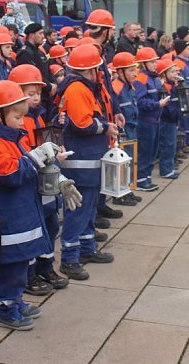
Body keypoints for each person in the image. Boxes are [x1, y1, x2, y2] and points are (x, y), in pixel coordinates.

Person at [0, 81, 72, 329]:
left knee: (19, 264)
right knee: (9, 266)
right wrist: (36, 157)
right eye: (17, 116)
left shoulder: (11, 137)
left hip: (19, 214)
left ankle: (15, 301)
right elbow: (11, 174)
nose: (23, 122)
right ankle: (5, 308)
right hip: (7, 218)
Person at [55, 45, 116, 280]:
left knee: (88, 208)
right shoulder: (78, 89)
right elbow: (83, 125)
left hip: (88, 159)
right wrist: (106, 127)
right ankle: (70, 259)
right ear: (91, 70)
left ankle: (87, 248)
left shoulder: (81, 87)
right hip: (81, 161)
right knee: (78, 210)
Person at [7, 66, 71, 294]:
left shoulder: (38, 116)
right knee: (37, 227)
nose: (35, 98)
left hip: (43, 179)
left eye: (37, 93)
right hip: (32, 181)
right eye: (29, 93)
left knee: (51, 224)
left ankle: (46, 266)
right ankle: (29, 275)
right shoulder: (18, 120)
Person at [110, 52, 142, 206]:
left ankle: (127, 189)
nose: (135, 73)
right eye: (130, 70)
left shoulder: (130, 86)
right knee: (121, 162)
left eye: (134, 69)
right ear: (120, 72)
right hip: (123, 130)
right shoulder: (116, 88)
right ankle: (119, 194)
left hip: (132, 127)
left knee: (130, 161)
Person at [134, 47, 164, 190]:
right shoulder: (141, 78)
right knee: (145, 151)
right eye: (152, 62)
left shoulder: (155, 77)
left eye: (155, 61)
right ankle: (140, 179)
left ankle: (147, 176)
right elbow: (140, 102)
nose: (155, 64)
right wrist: (158, 104)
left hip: (155, 119)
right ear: (143, 63)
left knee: (152, 150)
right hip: (145, 121)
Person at [15, 22, 55, 107]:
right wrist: (49, 86)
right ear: (31, 35)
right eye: (40, 33)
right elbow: (30, 76)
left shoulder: (40, 52)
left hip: (46, 96)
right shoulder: (25, 53)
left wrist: (53, 84)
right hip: (34, 98)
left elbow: (48, 71)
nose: (43, 36)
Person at [157, 57, 181, 180]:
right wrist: (175, 116)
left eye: (175, 71)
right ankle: (166, 170)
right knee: (167, 145)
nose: (175, 74)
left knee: (171, 145)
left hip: (171, 119)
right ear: (163, 74)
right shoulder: (165, 88)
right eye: (171, 72)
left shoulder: (172, 86)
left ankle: (169, 168)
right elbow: (168, 107)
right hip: (167, 120)